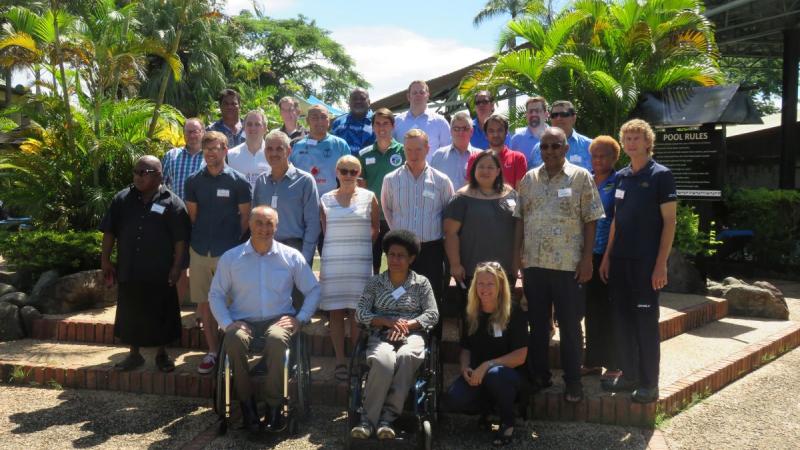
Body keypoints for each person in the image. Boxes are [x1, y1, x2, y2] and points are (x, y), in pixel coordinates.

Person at [209, 206, 321, 435]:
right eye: (259, 223)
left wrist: (300, 319)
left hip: (278, 320)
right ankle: (247, 405)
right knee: (233, 338)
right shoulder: (232, 258)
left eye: (270, 223)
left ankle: (273, 406)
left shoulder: (291, 257)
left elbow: (313, 289)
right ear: (250, 225)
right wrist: (227, 323)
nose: (264, 228)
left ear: (276, 227)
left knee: (277, 339)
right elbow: (216, 294)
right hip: (242, 321)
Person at [513, 127, 605, 403]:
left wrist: (587, 258)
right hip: (535, 265)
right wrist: (516, 257)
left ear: (566, 149)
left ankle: (573, 382)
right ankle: (539, 376)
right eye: (545, 147)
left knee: (570, 326)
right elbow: (519, 218)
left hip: (569, 266)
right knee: (538, 326)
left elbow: (591, 220)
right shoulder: (529, 179)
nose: (550, 151)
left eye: (555, 146)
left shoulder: (581, 177)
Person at [599, 119, 677, 404]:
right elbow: (617, 220)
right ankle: (629, 375)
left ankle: (649, 383)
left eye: (636, 138)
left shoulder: (661, 176)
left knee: (645, 323)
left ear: (647, 142)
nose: (631, 143)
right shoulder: (621, 177)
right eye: (627, 138)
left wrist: (661, 264)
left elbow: (670, 222)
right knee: (621, 321)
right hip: (619, 261)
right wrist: (607, 256)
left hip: (646, 263)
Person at [100, 156, 189, 372]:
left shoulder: (172, 202)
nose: (138, 176)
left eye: (144, 172)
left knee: (162, 312)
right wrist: (105, 260)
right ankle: (134, 354)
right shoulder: (122, 199)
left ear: (158, 175)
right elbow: (110, 231)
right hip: (129, 267)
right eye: (136, 172)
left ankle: (162, 354)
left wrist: (177, 267)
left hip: (160, 270)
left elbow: (180, 240)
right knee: (131, 312)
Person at [350, 230, 440, 440]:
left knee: (407, 357)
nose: (395, 260)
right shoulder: (375, 283)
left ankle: (386, 419)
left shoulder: (421, 283)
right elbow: (360, 313)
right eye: (391, 255)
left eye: (401, 255)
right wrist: (386, 321)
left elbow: (432, 314)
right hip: (381, 333)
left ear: (411, 259)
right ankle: (367, 422)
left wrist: (406, 325)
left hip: (413, 334)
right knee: (383, 361)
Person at [184, 131, 252, 375]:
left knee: (232, 303)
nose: (211, 152)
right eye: (207, 148)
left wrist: (232, 243)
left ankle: (233, 351)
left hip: (229, 253)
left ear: (225, 150)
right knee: (204, 305)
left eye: (216, 148)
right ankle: (212, 352)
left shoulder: (239, 181)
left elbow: (245, 217)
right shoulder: (193, 181)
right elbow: (192, 216)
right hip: (200, 250)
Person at [442, 262, 527, 446]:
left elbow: (521, 355)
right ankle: (487, 410)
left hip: (508, 375)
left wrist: (488, 365)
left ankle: (507, 421)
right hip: (478, 374)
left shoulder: (514, 312)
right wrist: (465, 368)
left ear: (500, 286)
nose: (485, 288)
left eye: (490, 284)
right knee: (455, 400)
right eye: (480, 283)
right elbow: (466, 348)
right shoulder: (471, 312)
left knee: (496, 375)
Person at [382, 129, 454, 335]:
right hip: (401, 252)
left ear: (427, 149)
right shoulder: (391, 179)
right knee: (399, 296)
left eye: (418, 149)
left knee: (431, 300)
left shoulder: (441, 181)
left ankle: (432, 349)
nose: (413, 154)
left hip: (431, 250)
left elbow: (447, 215)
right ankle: (401, 343)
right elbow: (388, 210)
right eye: (409, 149)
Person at [320, 155, 380, 382]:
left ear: (359, 173)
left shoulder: (369, 197)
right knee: (335, 313)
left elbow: (375, 228)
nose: (347, 175)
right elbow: (326, 229)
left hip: (359, 263)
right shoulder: (325, 198)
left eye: (353, 172)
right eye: (343, 170)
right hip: (334, 263)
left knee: (357, 313)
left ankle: (355, 358)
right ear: (336, 171)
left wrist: (361, 248)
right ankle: (340, 360)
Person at [444, 151, 518, 315]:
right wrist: (455, 264)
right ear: (473, 169)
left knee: (503, 316)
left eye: (490, 167)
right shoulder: (461, 198)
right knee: (473, 317)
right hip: (471, 271)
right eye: (481, 167)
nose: (485, 171)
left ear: (498, 171)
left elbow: (519, 230)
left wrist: (517, 263)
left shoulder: (511, 195)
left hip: (504, 270)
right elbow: (450, 234)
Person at [584, 136, 621, 378]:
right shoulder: (585, 178)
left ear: (614, 157)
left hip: (609, 254)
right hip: (587, 254)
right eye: (595, 155)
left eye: (604, 155)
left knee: (610, 310)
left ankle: (614, 363)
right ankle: (593, 361)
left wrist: (607, 256)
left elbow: (618, 220)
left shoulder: (619, 181)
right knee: (591, 308)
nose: (598, 160)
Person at [252, 130, 320, 264]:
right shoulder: (261, 181)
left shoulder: (305, 181)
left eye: (279, 149)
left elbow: (313, 224)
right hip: (265, 249)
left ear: (289, 151)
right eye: (269, 149)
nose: (274, 153)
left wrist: (304, 258)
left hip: (294, 250)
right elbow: (254, 220)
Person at [162, 117, 206, 303]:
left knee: (201, 268)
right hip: (176, 220)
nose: (192, 135)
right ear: (183, 134)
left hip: (203, 221)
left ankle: (200, 313)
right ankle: (175, 311)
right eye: (189, 131)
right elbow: (161, 188)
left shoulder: (210, 156)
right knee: (178, 266)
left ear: (203, 132)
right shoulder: (171, 156)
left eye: (196, 131)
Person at [358, 108, 405, 274]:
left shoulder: (404, 151)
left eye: (385, 123)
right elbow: (361, 188)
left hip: (398, 214)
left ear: (393, 126)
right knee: (374, 259)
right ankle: (374, 292)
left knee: (399, 258)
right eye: (377, 124)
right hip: (374, 216)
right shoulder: (364, 154)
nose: (381, 127)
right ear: (373, 127)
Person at [289, 104, 351, 197]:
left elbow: (350, 176)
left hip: (332, 201)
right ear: (307, 121)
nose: (320, 121)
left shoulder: (340, 145)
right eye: (314, 118)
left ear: (328, 120)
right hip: (302, 201)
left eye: (323, 117)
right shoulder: (296, 146)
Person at [393, 80, 451, 161]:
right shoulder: (396, 122)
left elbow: (447, 153)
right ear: (408, 97)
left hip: (431, 173)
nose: (418, 95)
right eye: (414, 93)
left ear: (427, 95)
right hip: (403, 172)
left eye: (421, 92)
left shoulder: (440, 122)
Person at [528, 100, 592, 171]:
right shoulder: (538, 148)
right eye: (554, 115)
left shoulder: (589, 146)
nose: (558, 118)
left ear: (574, 118)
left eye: (563, 114)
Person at [466, 114, 527, 189]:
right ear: (486, 134)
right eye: (491, 131)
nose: (495, 134)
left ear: (506, 132)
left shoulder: (518, 158)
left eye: (500, 130)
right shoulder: (475, 159)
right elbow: (470, 189)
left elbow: (520, 192)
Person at [430, 111, 481, 191]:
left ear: (471, 132)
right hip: (444, 203)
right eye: (456, 129)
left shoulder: (481, 157)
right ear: (451, 131)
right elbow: (431, 186)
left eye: (465, 129)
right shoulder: (438, 156)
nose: (461, 132)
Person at [227, 110, 270, 190]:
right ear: (244, 128)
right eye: (249, 124)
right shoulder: (230, 155)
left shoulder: (273, 155)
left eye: (257, 124)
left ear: (265, 128)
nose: (253, 128)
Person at [332, 87, 376, 155]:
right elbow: (332, 148)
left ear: (369, 102)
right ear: (349, 102)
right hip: (344, 164)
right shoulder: (338, 123)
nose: (358, 101)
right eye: (354, 99)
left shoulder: (379, 122)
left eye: (362, 99)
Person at [510, 97, 548, 163]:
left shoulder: (557, 137)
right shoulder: (516, 140)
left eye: (537, 111)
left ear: (546, 114)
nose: (533, 114)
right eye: (530, 111)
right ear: (526, 115)